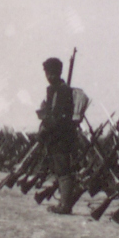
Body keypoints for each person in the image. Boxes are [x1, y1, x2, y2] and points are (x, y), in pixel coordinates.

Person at [37, 58, 79, 214]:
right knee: (59, 170)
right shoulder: (52, 89)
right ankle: (64, 203)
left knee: (63, 171)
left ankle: (65, 206)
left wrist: (47, 126)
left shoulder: (63, 90)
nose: (49, 76)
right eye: (48, 73)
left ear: (59, 72)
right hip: (54, 136)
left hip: (62, 135)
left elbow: (59, 116)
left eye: (52, 73)